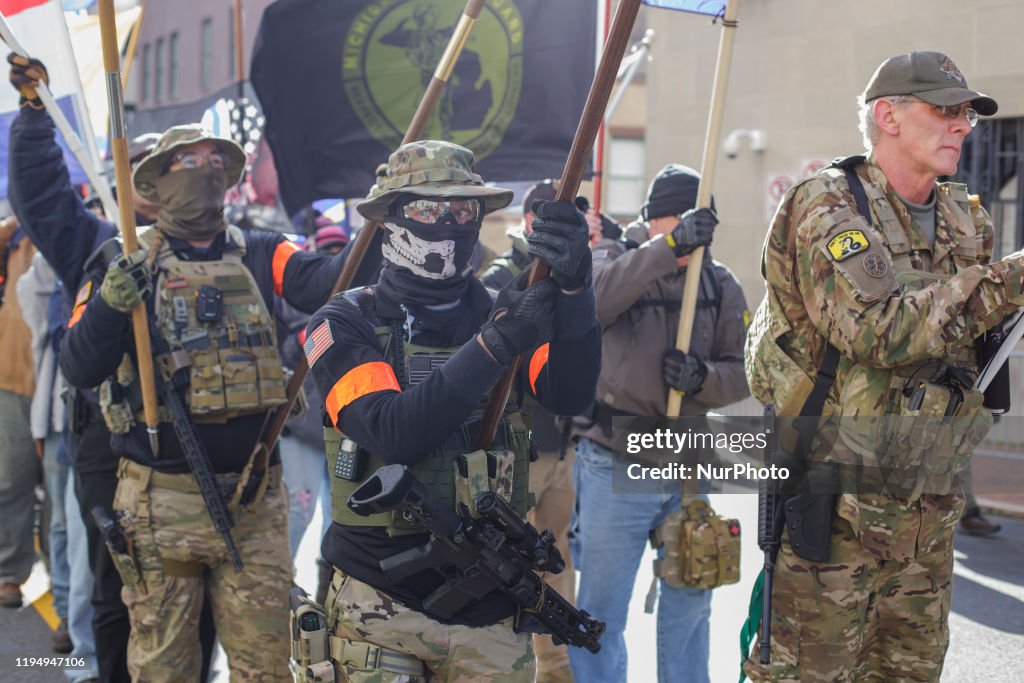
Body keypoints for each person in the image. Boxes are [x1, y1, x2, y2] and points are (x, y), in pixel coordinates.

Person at [58, 123, 380, 681]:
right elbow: (79, 365)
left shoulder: (260, 249)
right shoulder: (125, 260)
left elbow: (330, 280)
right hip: (162, 503)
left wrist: (380, 223)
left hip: (252, 497)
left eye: (214, 158)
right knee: (164, 666)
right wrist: (112, 303)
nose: (204, 167)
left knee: (266, 666)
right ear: (157, 181)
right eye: (188, 159)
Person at [742, 51, 1020, 681]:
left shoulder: (963, 216)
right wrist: (1012, 282)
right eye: (945, 110)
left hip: (926, 506)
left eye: (968, 115)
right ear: (887, 116)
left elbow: (969, 328)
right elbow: (877, 331)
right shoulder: (828, 205)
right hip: (834, 508)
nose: (962, 125)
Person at [305, 140, 600, 682]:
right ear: (391, 217)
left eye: (463, 210)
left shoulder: (503, 309)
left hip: (489, 611)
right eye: (427, 209)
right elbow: (393, 432)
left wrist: (578, 289)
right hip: (378, 608)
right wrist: (493, 346)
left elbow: (571, 393)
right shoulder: (341, 324)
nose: (448, 222)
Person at [6, 52, 215, 683]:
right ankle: (99, 672)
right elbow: (40, 197)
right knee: (109, 579)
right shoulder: (98, 244)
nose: (158, 186)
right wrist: (34, 116)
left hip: (192, 450)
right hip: (108, 443)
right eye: (145, 173)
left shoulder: (223, 249)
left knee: (194, 590)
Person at [567, 164, 749, 683]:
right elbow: (593, 303)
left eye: (700, 225)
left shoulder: (719, 283)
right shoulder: (616, 257)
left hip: (688, 468)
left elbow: (744, 371)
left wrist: (703, 378)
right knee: (601, 612)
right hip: (614, 462)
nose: (694, 236)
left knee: (692, 601)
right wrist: (667, 250)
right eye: (681, 223)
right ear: (654, 220)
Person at [480, 178, 578, 683]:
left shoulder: (574, 274)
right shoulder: (503, 274)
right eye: (547, 214)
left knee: (557, 567)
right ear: (529, 219)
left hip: (561, 447)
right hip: (518, 452)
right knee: (508, 568)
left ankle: (555, 671)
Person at [0, 217, 38, 610]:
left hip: (63, 384)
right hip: (12, 378)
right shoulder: (15, 237)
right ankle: (9, 573)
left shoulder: (84, 228)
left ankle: (66, 601)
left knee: (65, 500)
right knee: (10, 479)